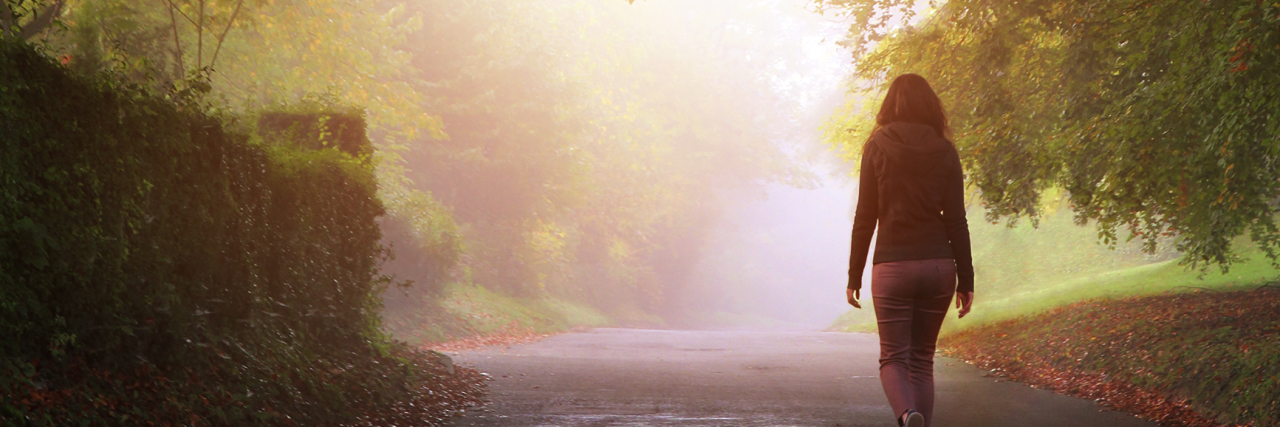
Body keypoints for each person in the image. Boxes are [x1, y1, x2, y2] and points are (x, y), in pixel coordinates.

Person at [846, 73, 975, 427]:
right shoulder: (945, 150)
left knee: (893, 358)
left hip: (893, 265)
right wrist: (967, 278)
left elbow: (865, 215)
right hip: (938, 266)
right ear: (930, 105)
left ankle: (907, 414)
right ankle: (918, 421)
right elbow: (957, 220)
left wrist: (854, 274)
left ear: (890, 105)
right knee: (922, 359)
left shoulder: (876, 147)